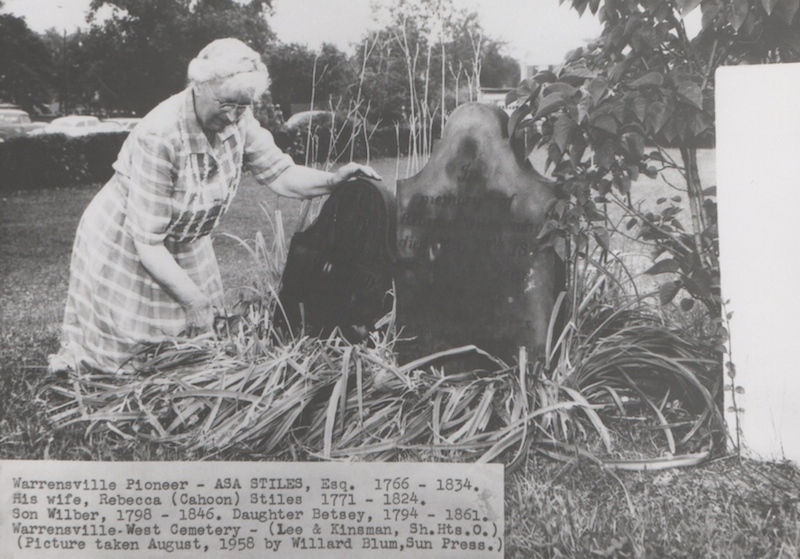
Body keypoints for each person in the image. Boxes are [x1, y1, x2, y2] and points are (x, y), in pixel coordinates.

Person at [48, 38, 381, 375]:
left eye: (243, 105)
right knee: (131, 351)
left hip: (186, 239)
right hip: (131, 238)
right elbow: (148, 242)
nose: (234, 116)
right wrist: (195, 302)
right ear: (199, 85)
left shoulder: (239, 117)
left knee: (191, 350)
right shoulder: (160, 133)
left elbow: (280, 173)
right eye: (227, 105)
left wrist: (331, 181)